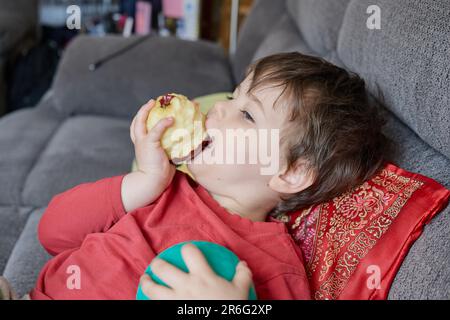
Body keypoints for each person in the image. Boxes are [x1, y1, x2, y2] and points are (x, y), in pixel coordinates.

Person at [2, 52, 389, 300]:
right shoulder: (163, 186)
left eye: (247, 114)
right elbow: (52, 233)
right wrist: (141, 184)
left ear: (290, 172)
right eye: (230, 98)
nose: (217, 111)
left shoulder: (276, 268)